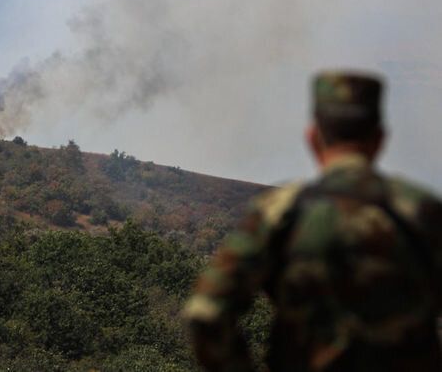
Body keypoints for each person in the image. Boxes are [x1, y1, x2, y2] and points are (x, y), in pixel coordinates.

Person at [183, 71, 442, 371]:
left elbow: (206, 314)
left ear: (312, 137)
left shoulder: (279, 212)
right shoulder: (422, 212)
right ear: (380, 138)